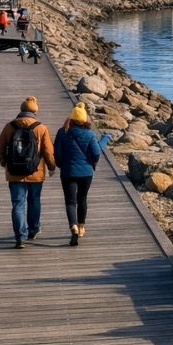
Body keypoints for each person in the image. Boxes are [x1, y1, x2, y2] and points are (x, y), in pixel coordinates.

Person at [0, 96, 57, 248]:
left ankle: (20, 236)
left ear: (21, 110)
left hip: (14, 172)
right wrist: (51, 166)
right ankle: (33, 229)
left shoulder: (9, 127)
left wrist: (5, 164)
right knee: (34, 201)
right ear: (35, 112)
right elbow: (48, 151)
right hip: (35, 172)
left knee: (18, 204)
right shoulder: (40, 128)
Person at [53, 103, 112, 247]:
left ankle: (72, 227)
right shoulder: (90, 133)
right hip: (86, 172)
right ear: (85, 119)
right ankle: (81, 227)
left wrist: (60, 164)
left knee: (70, 201)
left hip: (68, 172)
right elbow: (96, 152)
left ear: (71, 119)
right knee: (83, 199)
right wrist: (93, 162)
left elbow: (57, 153)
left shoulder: (62, 132)